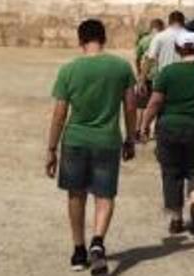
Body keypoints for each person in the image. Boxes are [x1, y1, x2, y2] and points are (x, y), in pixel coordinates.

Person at [45, 19, 137, 274]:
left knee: (76, 195)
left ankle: (78, 251)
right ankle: (98, 241)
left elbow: (59, 114)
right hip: (107, 141)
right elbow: (130, 106)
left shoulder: (69, 70)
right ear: (103, 38)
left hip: (75, 140)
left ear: (80, 40)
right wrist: (131, 138)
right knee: (104, 194)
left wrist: (51, 149)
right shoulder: (121, 67)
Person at [139, 30, 194, 237]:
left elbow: (154, 103)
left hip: (170, 128)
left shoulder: (168, 72)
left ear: (178, 49)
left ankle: (177, 219)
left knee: (172, 172)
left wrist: (144, 125)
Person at [133, 18, 164, 108]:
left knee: (142, 107)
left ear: (150, 28)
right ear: (162, 28)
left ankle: (140, 122)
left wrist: (139, 73)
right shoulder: (164, 40)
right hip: (160, 75)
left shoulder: (143, 40)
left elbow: (137, 59)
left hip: (146, 76)